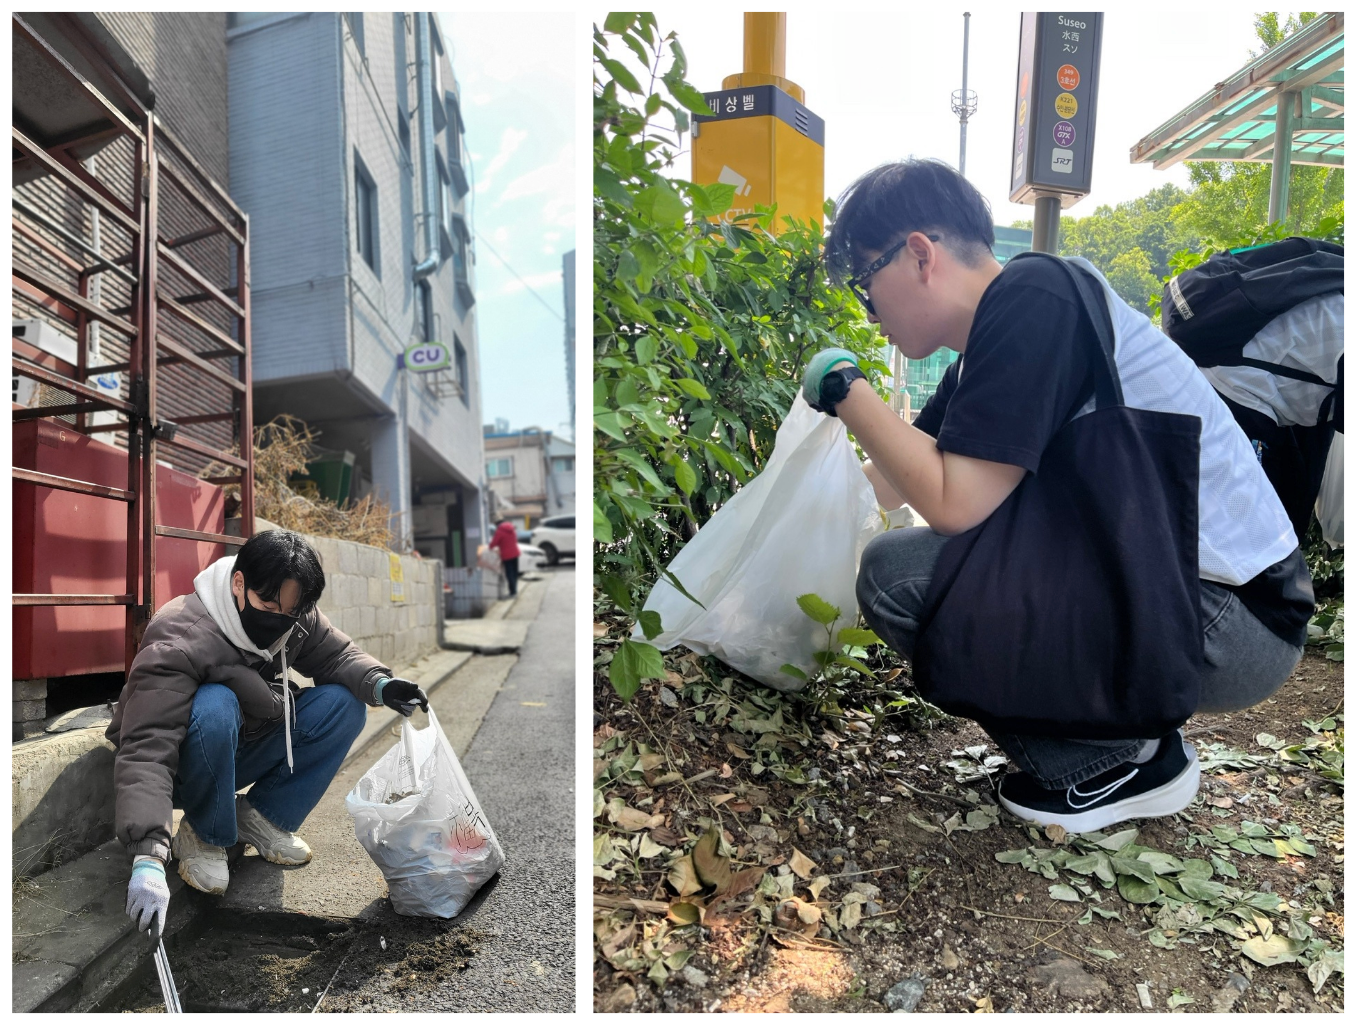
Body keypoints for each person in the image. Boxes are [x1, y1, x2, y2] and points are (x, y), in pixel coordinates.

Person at [805, 158, 1313, 833]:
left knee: (898, 578)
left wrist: (846, 390)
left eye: (866, 286)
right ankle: (1121, 746)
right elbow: (898, 478)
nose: (869, 313)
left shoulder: (1035, 296)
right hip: (1188, 599)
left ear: (919, 254)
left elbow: (952, 504)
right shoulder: (995, 341)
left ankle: (1112, 767)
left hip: (1229, 616)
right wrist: (793, 512)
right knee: (915, 567)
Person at [111, 528, 430, 939]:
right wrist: (149, 855)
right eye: (268, 605)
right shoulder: (180, 636)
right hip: (186, 765)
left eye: (291, 611)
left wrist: (381, 685)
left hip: (244, 743)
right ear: (238, 583)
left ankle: (260, 817)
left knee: (344, 704)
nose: (278, 619)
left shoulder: (293, 616)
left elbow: (337, 654)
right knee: (215, 704)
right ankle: (203, 835)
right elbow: (146, 749)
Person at [489, 519, 522, 596]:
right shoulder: (512, 528)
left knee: (509, 573)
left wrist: (489, 547)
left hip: (507, 556)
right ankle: (515, 590)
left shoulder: (499, 531)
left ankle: (512, 591)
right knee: (514, 573)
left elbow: (494, 542)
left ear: (497, 524)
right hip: (515, 553)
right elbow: (515, 539)